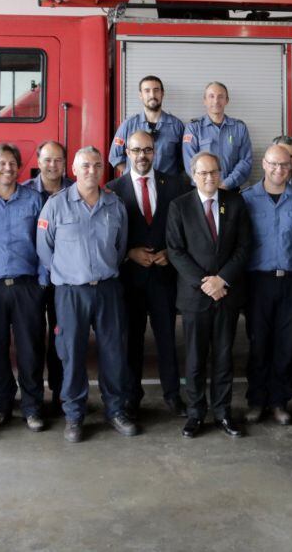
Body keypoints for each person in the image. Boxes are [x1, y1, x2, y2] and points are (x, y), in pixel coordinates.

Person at [36, 147, 136, 442]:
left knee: (114, 353)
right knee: (72, 354)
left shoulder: (115, 205)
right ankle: (74, 416)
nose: (91, 171)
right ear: (74, 170)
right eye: (85, 166)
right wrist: (68, 274)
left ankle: (116, 410)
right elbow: (45, 250)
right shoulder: (56, 206)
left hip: (107, 290)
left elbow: (120, 248)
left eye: (96, 165)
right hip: (70, 293)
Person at [166, 152, 253, 438]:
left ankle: (223, 412)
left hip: (226, 293)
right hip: (195, 297)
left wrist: (222, 279)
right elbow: (176, 251)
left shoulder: (235, 202)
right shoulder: (179, 206)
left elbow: (244, 247)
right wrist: (205, 283)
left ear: (220, 173)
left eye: (214, 172)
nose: (209, 177)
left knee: (224, 358)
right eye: (203, 173)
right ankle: (196, 414)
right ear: (193, 175)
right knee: (194, 360)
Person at [108, 131, 189, 418]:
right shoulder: (113, 189)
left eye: (147, 150)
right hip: (130, 279)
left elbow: (184, 229)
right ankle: (132, 397)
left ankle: (173, 395)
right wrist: (129, 252)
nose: (142, 155)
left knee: (168, 339)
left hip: (164, 276)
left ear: (155, 152)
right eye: (136, 150)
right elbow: (110, 237)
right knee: (132, 342)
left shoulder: (176, 185)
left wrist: (170, 251)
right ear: (126, 153)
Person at [0, 143, 48, 431]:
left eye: (12, 164)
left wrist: (42, 281)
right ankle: (0, 405)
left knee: (30, 349)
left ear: (19, 168)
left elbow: (44, 242)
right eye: (1, 164)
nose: (7, 168)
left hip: (27, 286)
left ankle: (32, 407)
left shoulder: (34, 200)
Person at [242, 144, 292, 426]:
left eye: (284, 165)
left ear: (290, 168)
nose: (279, 170)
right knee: (259, 344)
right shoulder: (246, 199)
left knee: (286, 345)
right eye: (273, 164)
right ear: (264, 165)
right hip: (258, 283)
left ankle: (280, 401)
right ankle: (257, 401)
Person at [22, 140, 72, 407]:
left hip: (61, 279)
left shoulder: (76, 191)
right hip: (31, 278)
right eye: (47, 159)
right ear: (38, 161)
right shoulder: (24, 193)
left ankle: (59, 391)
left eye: (58, 160)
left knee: (59, 336)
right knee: (30, 338)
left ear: (65, 162)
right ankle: (32, 398)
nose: (52, 165)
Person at [108, 75, 185, 177]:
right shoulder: (128, 125)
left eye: (156, 90)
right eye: (147, 91)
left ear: (162, 93)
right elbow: (115, 156)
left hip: (167, 188)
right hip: (136, 189)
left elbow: (184, 159)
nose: (152, 95)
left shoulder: (177, 126)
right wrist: (136, 175)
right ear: (141, 95)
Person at [181, 82, 253, 190]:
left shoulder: (239, 128)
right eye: (211, 96)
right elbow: (190, 164)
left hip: (231, 189)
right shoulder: (193, 128)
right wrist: (208, 186)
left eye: (220, 97)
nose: (216, 101)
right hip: (202, 191)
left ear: (226, 100)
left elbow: (246, 161)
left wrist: (226, 184)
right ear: (204, 100)